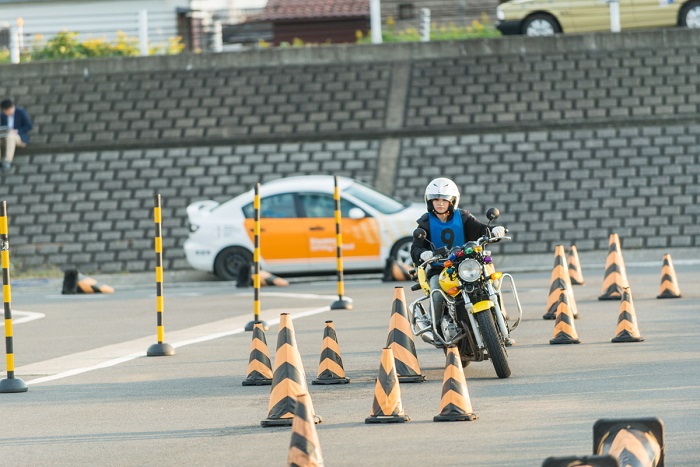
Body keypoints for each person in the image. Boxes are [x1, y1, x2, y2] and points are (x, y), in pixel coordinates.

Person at [410, 177, 505, 340]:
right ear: (429, 201)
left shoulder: (463, 217)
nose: (440, 203)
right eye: (436, 199)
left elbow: (481, 229)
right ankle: (436, 327)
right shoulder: (425, 223)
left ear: (452, 201)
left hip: (467, 263)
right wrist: (422, 254)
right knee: (437, 292)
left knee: (492, 280)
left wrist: (494, 230)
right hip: (440, 268)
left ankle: (499, 319)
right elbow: (415, 248)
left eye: (444, 200)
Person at [0, 99, 32, 173]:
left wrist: (16, 131)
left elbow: (29, 126)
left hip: (19, 138)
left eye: (4, 111)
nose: (4, 113)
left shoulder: (20, 112)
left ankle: (7, 161)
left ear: (8, 109)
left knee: (10, 135)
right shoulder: (2, 115)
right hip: (5, 138)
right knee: (7, 135)